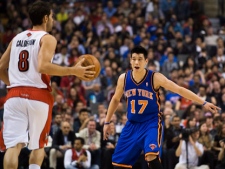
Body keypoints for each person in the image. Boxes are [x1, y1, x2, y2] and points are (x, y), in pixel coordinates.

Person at [0, 1, 96, 169]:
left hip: (14, 95)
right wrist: (73, 70)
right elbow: (43, 66)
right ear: (45, 18)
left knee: (13, 146)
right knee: (38, 146)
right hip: (38, 96)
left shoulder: (16, 38)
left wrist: (15, 84)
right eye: (52, 17)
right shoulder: (47, 38)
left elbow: (1, 67)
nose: (53, 20)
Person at [103, 46, 220, 169]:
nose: (137, 62)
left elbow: (179, 89)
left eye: (140, 59)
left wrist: (203, 102)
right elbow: (115, 99)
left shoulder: (155, 77)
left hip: (151, 123)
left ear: (146, 61)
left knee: (151, 156)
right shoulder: (124, 78)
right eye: (134, 59)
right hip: (132, 124)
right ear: (130, 60)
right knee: (119, 164)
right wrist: (107, 122)